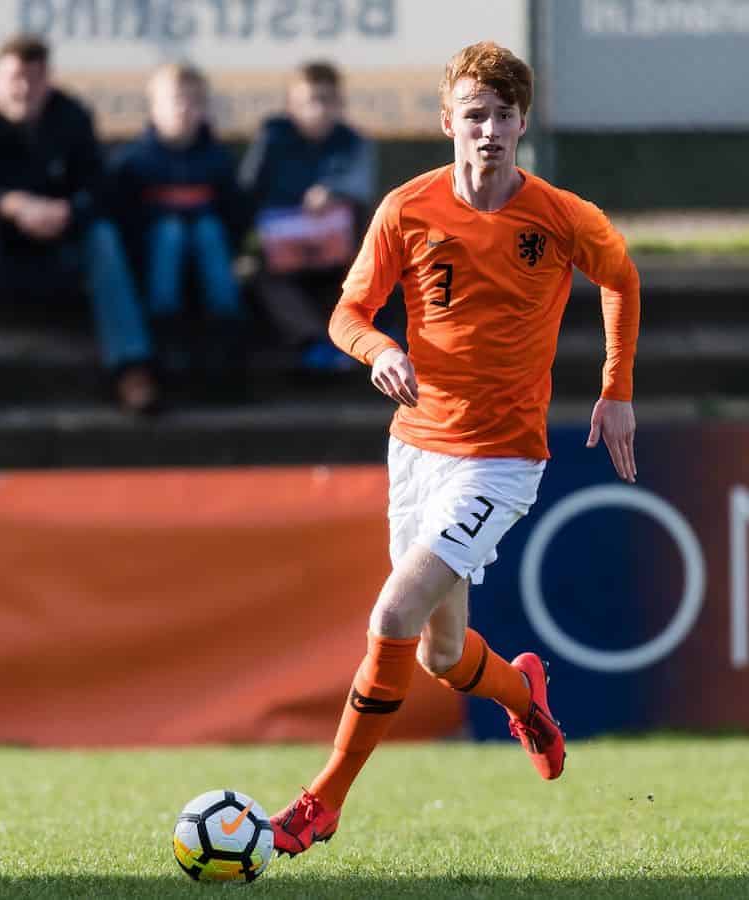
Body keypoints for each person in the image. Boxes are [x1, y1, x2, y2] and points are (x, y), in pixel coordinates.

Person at [269, 41, 640, 856]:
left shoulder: (560, 215)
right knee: (439, 652)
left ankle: (321, 802)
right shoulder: (406, 208)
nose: (490, 130)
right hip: (417, 450)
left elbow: (620, 275)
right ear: (448, 123)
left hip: (502, 460)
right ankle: (526, 697)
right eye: (475, 115)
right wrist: (382, 351)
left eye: (504, 116)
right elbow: (346, 315)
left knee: (393, 614)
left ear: (523, 124)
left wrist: (615, 391)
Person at [0, 35, 157, 415]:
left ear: (48, 80)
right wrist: (9, 205)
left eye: (34, 78)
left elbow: (99, 188)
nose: (24, 89)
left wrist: (66, 212)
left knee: (103, 235)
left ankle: (132, 368)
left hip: (58, 246)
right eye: (15, 77)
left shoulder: (72, 116)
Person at [237, 61, 376, 371]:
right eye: (308, 101)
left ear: (339, 104)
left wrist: (333, 194)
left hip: (338, 252)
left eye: (326, 100)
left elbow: (361, 192)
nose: (318, 110)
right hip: (281, 254)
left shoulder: (354, 142)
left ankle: (361, 340)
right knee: (262, 278)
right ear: (290, 106)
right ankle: (314, 342)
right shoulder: (272, 139)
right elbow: (248, 193)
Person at [110, 63, 246, 379]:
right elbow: (122, 219)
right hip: (154, 264)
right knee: (170, 232)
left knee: (208, 230)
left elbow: (235, 216)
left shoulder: (219, 159)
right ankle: (164, 338)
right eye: (175, 100)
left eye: (194, 101)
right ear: (154, 107)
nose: (184, 109)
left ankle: (226, 341)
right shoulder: (132, 162)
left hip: (211, 261)